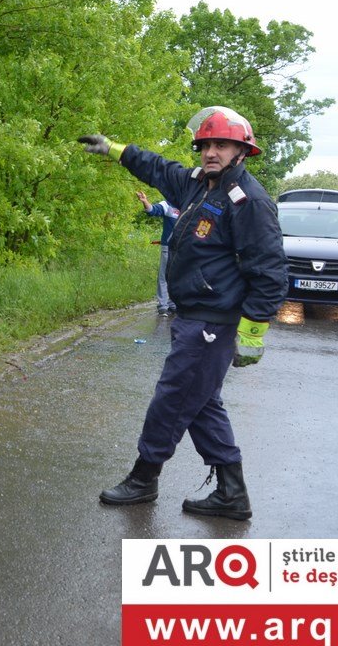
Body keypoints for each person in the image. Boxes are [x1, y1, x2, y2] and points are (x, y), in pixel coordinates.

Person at [77, 106, 287, 520]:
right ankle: (231, 492)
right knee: (201, 403)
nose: (211, 152)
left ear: (242, 152)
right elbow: (158, 168)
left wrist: (253, 333)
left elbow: (270, 271)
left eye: (221, 145)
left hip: (214, 321)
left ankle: (144, 478)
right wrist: (115, 149)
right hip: (193, 315)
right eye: (206, 144)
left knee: (172, 400)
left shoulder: (248, 201)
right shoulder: (198, 185)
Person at [135, 190, 180, 316]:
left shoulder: (190, 205)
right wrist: (145, 201)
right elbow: (152, 210)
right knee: (164, 276)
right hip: (168, 247)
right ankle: (163, 306)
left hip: (184, 249)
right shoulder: (167, 205)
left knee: (177, 277)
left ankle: (173, 304)